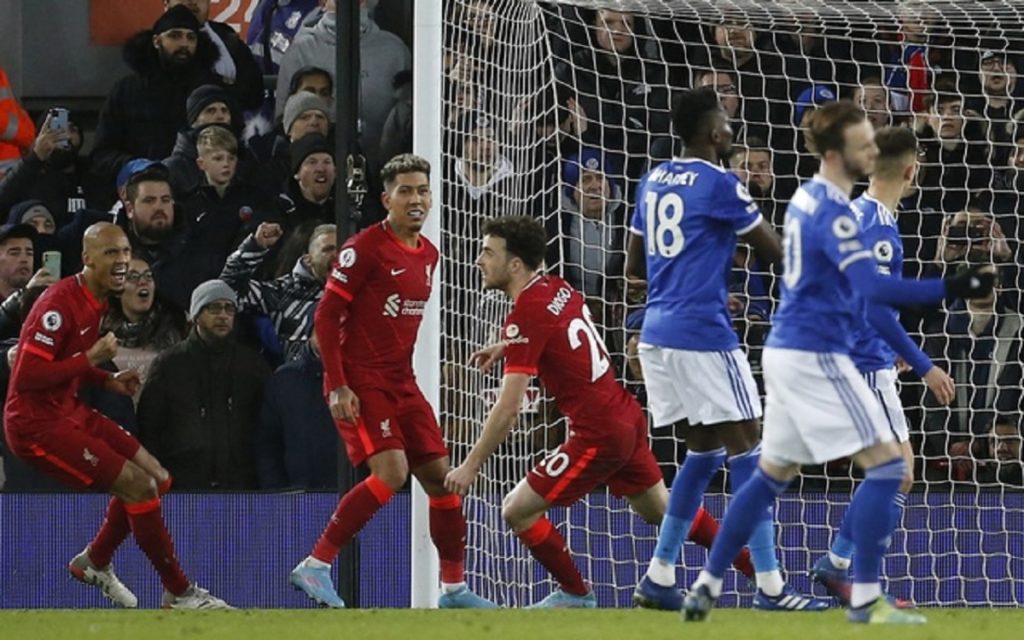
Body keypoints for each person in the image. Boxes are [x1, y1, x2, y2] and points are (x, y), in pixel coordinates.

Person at [680, 101, 993, 624]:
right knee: (895, 470)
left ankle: (708, 584)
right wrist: (947, 303)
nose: (869, 151)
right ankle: (855, 584)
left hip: (794, 350)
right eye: (861, 142)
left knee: (773, 473)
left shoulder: (815, 200)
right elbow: (873, 297)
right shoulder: (857, 220)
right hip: (834, 358)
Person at [625, 88, 825, 613]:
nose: (732, 129)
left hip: (657, 334)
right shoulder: (720, 184)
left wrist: (695, 273)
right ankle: (771, 587)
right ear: (713, 132)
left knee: (704, 450)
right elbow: (775, 251)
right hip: (702, 335)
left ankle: (659, 574)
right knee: (751, 449)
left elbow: (634, 268)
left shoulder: (652, 179)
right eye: (726, 121)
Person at [290, 153, 495, 609]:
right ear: (387, 199)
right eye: (405, 191)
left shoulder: (429, 254)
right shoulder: (363, 249)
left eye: (422, 190)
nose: (416, 199)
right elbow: (326, 315)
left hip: (402, 380)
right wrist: (338, 383)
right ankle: (316, 564)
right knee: (393, 472)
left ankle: (454, 590)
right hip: (361, 381)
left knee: (442, 479)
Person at [2, 222, 230, 608]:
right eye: (111, 253)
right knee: (139, 487)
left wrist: (106, 381)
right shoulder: (59, 304)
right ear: (87, 258)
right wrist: (91, 359)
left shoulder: (96, 299)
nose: (122, 260)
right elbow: (26, 376)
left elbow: (66, 361)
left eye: (125, 252)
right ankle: (179, 592)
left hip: (69, 410)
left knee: (158, 478)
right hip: (35, 426)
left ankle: (95, 560)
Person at [444, 215, 665, 608]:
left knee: (516, 511)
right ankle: (757, 570)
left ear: (515, 264)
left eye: (488, 253)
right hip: (625, 412)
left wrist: (471, 465)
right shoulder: (557, 286)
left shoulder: (525, 314)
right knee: (664, 513)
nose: (479, 260)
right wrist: (508, 346)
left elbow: (508, 408)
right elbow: (558, 328)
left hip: (597, 433)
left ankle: (577, 595)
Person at [810, 126, 956, 607]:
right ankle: (853, 578)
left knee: (890, 473)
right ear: (912, 171)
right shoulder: (878, 229)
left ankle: (839, 565)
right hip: (863, 365)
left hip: (853, 354)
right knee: (899, 473)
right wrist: (924, 364)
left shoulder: (856, 214)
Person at [136, 280, 270, 490]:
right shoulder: (169, 364)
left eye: (229, 308)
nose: (223, 315)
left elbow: (267, 428)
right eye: (214, 308)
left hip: (240, 485)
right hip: (183, 486)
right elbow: (149, 428)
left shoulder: (252, 365)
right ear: (196, 315)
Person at [91, 6, 223, 190]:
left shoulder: (210, 91)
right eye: (175, 36)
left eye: (191, 37)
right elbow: (102, 154)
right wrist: (137, 166)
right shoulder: (126, 90)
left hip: (199, 192)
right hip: (140, 191)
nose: (184, 44)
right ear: (156, 41)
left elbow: (227, 146)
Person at [219, 222, 336, 360]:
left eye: (343, 249)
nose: (337, 255)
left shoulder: (358, 294)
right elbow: (227, 290)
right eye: (328, 249)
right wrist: (254, 246)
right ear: (308, 260)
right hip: (301, 371)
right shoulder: (282, 291)